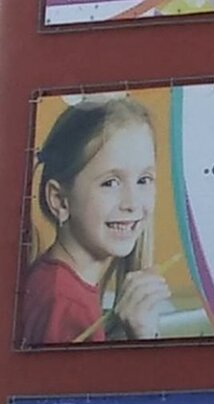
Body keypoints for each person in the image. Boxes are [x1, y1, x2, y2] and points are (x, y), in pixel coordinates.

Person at [19, 96, 170, 346]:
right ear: (59, 200)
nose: (132, 203)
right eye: (110, 183)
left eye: (144, 180)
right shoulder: (67, 305)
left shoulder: (59, 285)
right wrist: (143, 341)